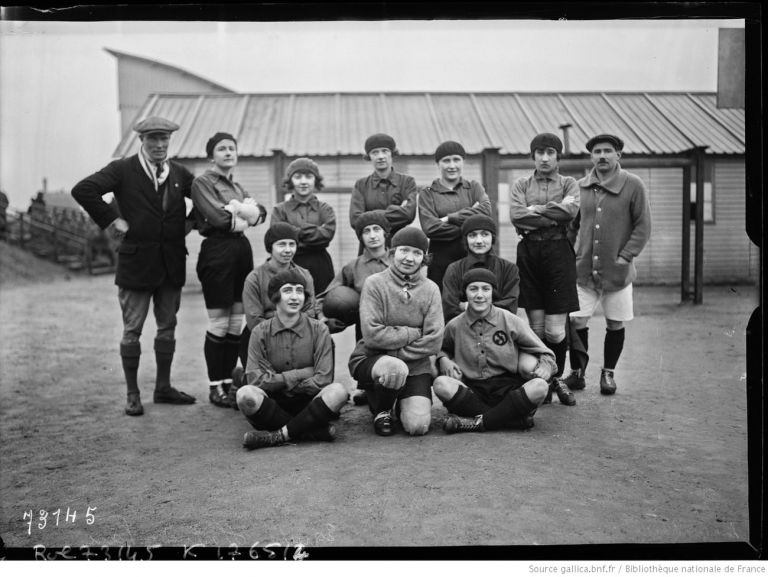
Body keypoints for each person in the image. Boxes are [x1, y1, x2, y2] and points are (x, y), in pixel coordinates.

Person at [71, 116, 196, 416]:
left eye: (164, 138)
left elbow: (205, 201)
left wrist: (189, 224)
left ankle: (163, 388)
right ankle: (132, 394)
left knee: (168, 327)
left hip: (171, 264)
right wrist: (111, 220)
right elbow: (83, 190)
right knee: (132, 330)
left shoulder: (179, 173)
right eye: (153, 138)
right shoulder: (122, 170)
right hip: (136, 264)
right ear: (141, 140)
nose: (159, 144)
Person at [564, 134, 652, 395]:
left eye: (608, 151)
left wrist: (626, 256)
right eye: (597, 152)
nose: (602, 156)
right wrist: (570, 256)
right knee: (576, 322)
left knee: (615, 323)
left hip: (618, 273)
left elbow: (643, 226)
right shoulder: (580, 186)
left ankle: (608, 374)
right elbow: (572, 227)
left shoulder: (633, 185)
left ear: (618, 155)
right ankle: (577, 373)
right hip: (583, 272)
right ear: (591, 157)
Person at [191, 132, 266, 408]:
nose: (227, 153)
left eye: (231, 148)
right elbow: (220, 219)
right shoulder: (202, 183)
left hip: (240, 251)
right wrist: (245, 213)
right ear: (212, 155)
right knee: (219, 323)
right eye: (221, 149)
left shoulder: (236, 186)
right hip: (217, 252)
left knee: (236, 323)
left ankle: (227, 384)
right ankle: (215, 386)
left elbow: (262, 214)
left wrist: (243, 211)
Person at [236, 270, 349, 450]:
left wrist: (276, 379)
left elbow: (323, 379)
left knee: (339, 392)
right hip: (273, 403)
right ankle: (308, 431)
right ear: (275, 296)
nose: (295, 296)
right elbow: (256, 380)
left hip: (308, 403)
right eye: (288, 290)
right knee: (245, 395)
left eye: (299, 291)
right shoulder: (259, 332)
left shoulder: (320, 329)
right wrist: (304, 373)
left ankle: (279, 435)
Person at [433, 269, 556, 433]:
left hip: (508, 389)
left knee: (539, 387)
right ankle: (510, 420)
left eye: (485, 289)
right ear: (465, 293)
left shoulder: (510, 320)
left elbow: (545, 352)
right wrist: (443, 359)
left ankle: (476, 422)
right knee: (441, 384)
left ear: (493, 293)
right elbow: (441, 349)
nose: (479, 295)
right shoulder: (455, 325)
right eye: (473, 289)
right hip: (473, 391)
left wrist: (546, 366)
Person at [348, 227, 444, 437]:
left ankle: (397, 397)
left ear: (424, 258)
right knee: (394, 368)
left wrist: (395, 347)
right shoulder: (374, 284)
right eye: (404, 251)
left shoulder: (431, 289)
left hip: (416, 367)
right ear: (392, 253)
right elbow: (372, 335)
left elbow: (434, 341)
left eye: (417, 253)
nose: (409, 258)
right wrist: (413, 333)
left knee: (417, 426)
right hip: (373, 359)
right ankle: (382, 409)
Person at [509, 133, 580, 406]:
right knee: (536, 327)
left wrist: (535, 210)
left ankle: (557, 376)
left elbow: (570, 213)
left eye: (550, 152)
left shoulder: (569, 183)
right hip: (529, 253)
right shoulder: (520, 183)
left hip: (559, 253)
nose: (545, 158)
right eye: (539, 152)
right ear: (533, 156)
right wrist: (553, 212)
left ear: (558, 156)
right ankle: (543, 383)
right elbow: (516, 215)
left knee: (555, 331)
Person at [318, 211, 392, 406]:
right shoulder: (354, 267)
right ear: (361, 237)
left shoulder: (399, 260)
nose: (373, 235)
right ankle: (366, 384)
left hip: (398, 325)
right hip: (367, 330)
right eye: (366, 231)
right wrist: (325, 319)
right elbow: (327, 296)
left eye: (377, 229)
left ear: (385, 234)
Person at [238, 222, 318, 375]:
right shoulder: (254, 278)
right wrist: (279, 332)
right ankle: (243, 376)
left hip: (298, 332)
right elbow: (254, 319)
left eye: (292, 244)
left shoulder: (304, 275)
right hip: (264, 335)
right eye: (282, 244)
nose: (288, 250)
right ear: (270, 247)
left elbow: (310, 310)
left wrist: (292, 330)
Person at [418, 140, 491, 291]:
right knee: (444, 306)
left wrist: (449, 218)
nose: (452, 165)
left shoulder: (473, 187)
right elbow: (431, 228)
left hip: (474, 256)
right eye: (446, 161)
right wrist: (470, 227)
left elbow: (486, 210)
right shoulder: (428, 193)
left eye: (456, 159)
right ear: (438, 164)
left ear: (463, 161)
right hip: (440, 259)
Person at [271, 157, 336, 293]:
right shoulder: (280, 210)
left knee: (320, 306)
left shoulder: (325, 209)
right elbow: (277, 237)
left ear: (315, 180)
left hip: (320, 265)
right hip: (290, 264)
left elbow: (326, 235)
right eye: (298, 177)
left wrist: (294, 232)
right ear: (290, 181)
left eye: (308, 176)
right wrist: (314, 231)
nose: (303, 182)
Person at [441, 213, 520, 324]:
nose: (479, 241)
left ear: (492, 238)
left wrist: (466, 306)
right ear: (466, 239)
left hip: (498, 330)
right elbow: (450, 308)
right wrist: (491, 307)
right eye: (472, 235)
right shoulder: (454, 269)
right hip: (464, 329)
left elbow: (509, 307)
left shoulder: (509, 269)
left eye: (484, 234)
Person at [349, 133, 416, 252]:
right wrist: (395, 210)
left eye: (385, 151)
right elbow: (355, 220)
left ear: (392, 153)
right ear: (369, 156)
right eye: (375, 152)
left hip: (399, 247)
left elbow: (408, 215)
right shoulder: (361, 185)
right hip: (370, 250)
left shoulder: (407, 182)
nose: (380, 156)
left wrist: (370, 215)